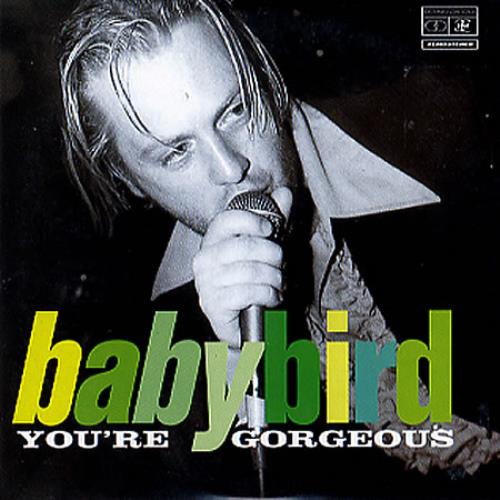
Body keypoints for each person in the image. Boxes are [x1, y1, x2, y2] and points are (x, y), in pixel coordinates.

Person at [58, 0, 500, 495]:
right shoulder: (151, 317)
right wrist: (236, 358)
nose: (231, 169)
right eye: (177, 152)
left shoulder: (444, 137)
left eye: (236, 111)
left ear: (267, 83)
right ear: (129, 181)